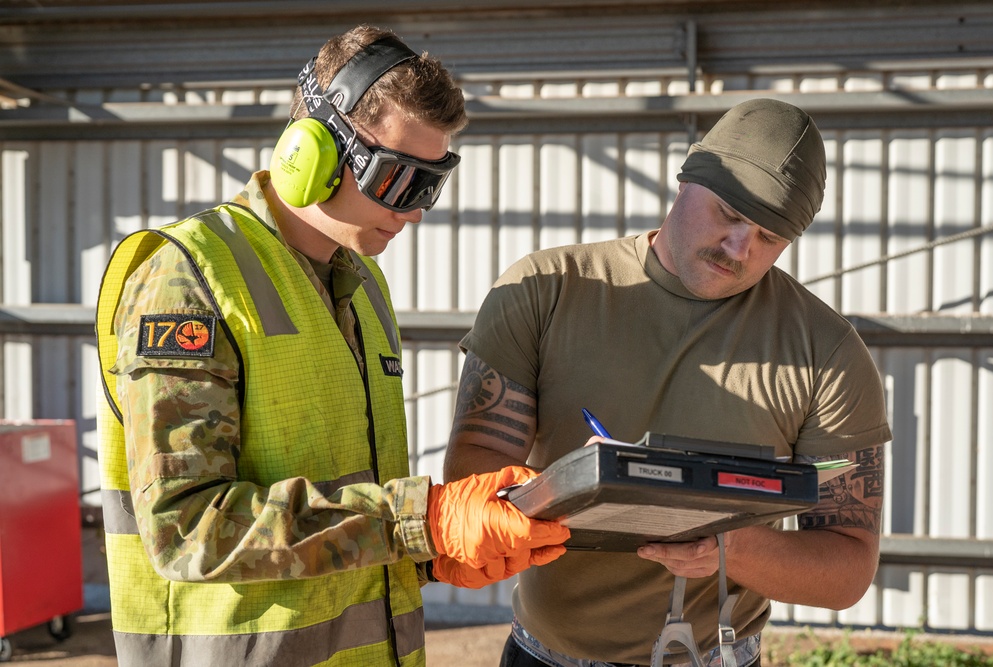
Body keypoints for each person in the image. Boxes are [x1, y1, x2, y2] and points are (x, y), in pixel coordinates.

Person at [94, 25, 569, 667]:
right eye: (399, 180)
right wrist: (417, 521)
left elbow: (350, 504)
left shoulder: (363, 286)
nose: (414, 212)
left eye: (432, 185)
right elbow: (187, 528)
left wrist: (429, 553)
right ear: (312, 150)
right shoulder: (190, 278)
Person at [444, 98, 891, 667]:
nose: (740, 248)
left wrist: (729, 548)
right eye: (729, 213)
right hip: (547, 655)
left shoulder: (827, 352)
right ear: (685, 180)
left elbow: (846, 571)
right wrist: (577, 486)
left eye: (769, 237)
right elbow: (470, 481)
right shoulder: (548, 289)